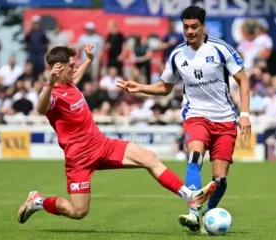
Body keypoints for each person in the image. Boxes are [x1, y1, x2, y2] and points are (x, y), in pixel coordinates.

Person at [17, 44, 217, 224]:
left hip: (102, 145)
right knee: (78, 211)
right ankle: (38, 202)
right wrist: (50, 83)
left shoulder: (69, 83)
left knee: (149, 158)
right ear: (58, 69)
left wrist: (89, 60)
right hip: (79, 158)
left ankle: (189, 196)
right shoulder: (51, 93)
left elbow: (75, 76)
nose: (75, 68)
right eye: (71, 65)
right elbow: (41, 109)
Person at [116, 6, 251, 232]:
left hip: (225, 120)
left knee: (220, 180)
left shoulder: (220, 49)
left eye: (194, 26)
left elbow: (243, 80)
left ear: (203, 26)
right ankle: (193, 214)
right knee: (194, 157)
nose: (189, 31)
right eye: (186, 26)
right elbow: (165, 87)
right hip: (196, 116)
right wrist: (139, 87)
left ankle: (208, 215)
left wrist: (245, 115)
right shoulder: (178, 54)